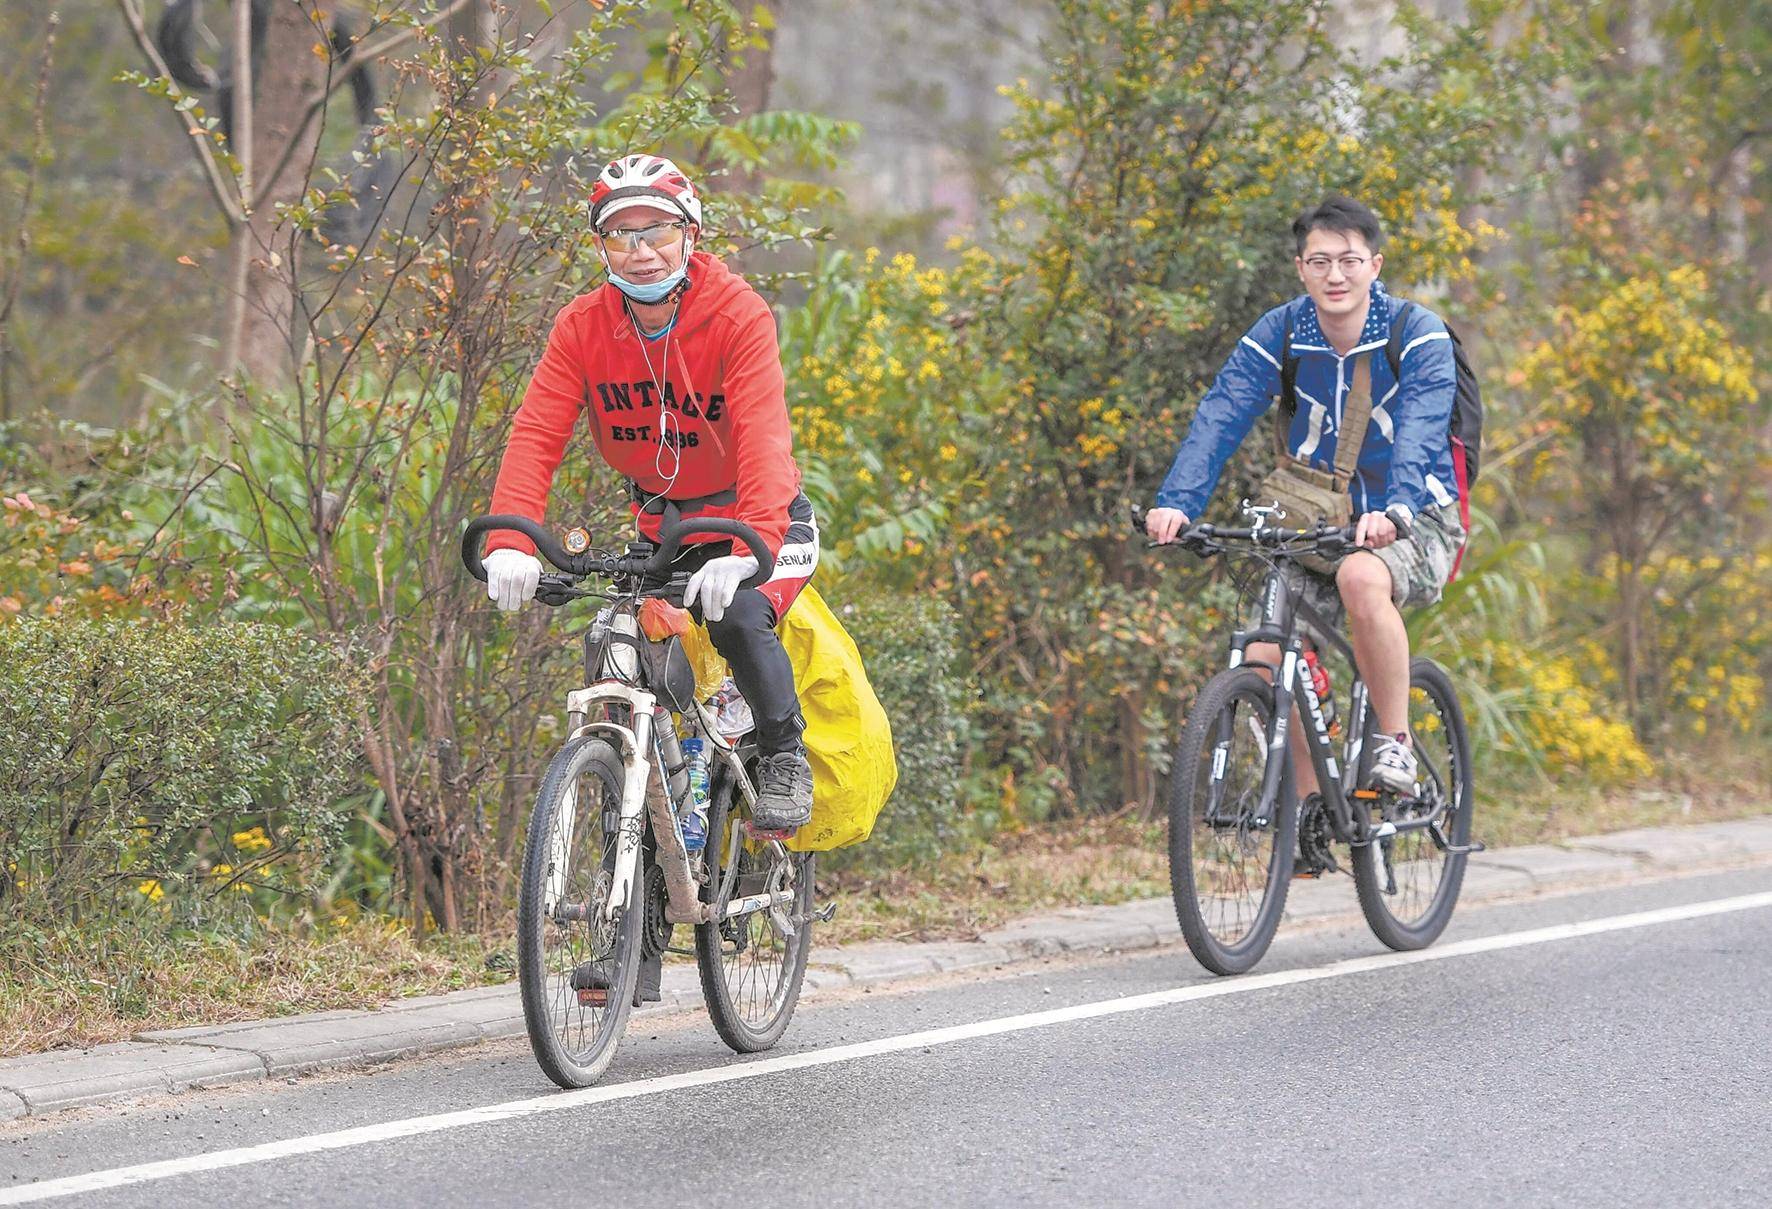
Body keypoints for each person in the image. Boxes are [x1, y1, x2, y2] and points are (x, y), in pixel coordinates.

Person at [481, 153, 818, 832]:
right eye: (620, 236)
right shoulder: (582, 326)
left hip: (763, 525)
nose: (640, 253)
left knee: (736, 617)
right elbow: (536, 435)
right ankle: (647, 842)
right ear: (601, 245)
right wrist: (511, 541)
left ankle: (783, 755)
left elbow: (763, 439)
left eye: (658, 232)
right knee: (620, 640)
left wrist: (751, 544)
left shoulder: (736, 314)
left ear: (692, 235)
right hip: (666, 530)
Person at [1145, 195, 1466, 797]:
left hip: (1416, 515)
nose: (1335, 275)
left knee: (1362, 581)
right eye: (1320, 262)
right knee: (1267, 654)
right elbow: (1223, 412)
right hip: (1315, 523)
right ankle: (1312, 807)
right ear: (1300, 268)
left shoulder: (1414, 332)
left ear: (1375, 264)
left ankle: (1392, 742)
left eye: (1349, 260)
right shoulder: (1284, 330)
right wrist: (1178, 502)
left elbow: (1423, 424)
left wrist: (1393, 507)